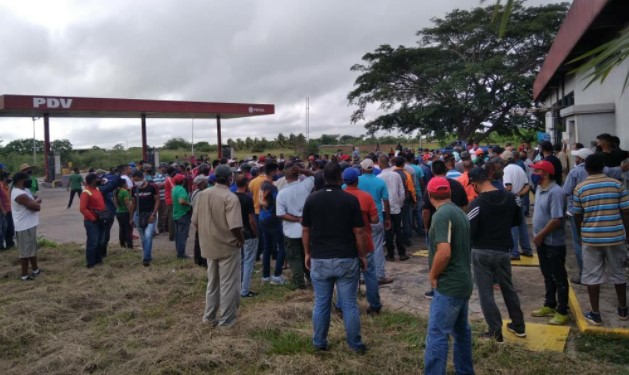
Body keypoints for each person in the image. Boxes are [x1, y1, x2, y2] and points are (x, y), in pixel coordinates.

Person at [302, 162, 368, 353]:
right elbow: (359, 231)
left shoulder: (312, 199)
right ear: (340, 178)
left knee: (321, 304)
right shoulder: (350, 200)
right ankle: (355, 344)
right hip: (346, 258)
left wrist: (307, 252)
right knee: (349, 305)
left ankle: (319, 342)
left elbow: (306, 229)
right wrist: (362, 255)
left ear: (323, 178)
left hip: (320, 258)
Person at [467, 167, 526, 342]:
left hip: (481, 252)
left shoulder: (477, 204)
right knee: (508, 289)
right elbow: (518, 220)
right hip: (503, 251)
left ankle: (495, 330)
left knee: (486, 293)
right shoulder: (512, 198)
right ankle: (519, 325)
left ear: (475, 184)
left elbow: (470, 229)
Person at [424, 177, 473, 375]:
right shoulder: (459, 212)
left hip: (449, 284)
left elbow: (444, 252)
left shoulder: (441, 215)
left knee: (437, 334)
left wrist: (433, 275)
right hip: (463, 281)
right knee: (461, 332)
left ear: (429, 195)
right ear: (450, 194)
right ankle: (465, 370)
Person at [573, 154, 629, 325]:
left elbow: (577, 215)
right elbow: (626, 212)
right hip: (615, 237)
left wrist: (582, 235)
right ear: (604, 167)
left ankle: (595, 314)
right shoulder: (617, 185)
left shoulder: (580, 188)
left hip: (591, 239)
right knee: (618, 273)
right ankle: (622, 310)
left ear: (586, 169)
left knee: (592, 276)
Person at [193, 165, 244, 327]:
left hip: (208, 245)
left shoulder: (202, 195)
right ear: (230, 178)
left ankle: (209, 317)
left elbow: (195, 221)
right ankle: (226, 321)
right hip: (227, 246)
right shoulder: (230, 197)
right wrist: (241, 239)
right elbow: (235, 226)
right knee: (228, 284)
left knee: (213, 282)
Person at [530, 160, 569, 325]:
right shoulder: (539, 188)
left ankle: (562, 311)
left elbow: (557, 219)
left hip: (553, 243)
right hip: (542, 242)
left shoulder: (556, 192)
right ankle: (550, 304)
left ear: (545, 174)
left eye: (536, 171)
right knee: (547, 275)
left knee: (559, 277)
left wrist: (541, 235)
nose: (533, 174)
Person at [342, 167, 382, 315]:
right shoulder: (366, 197)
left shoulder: (340, 196)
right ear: (357, 180)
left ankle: (343, 305)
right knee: (370, 274)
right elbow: (375, 219)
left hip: (346, 242)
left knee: (346, 277)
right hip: (365, 241)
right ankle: (375, 305)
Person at [276, 162, 315, 290]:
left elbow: (281, 214)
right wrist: (303, 170)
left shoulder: (282, 193)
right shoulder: (305, 186)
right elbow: (314, 176)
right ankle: (312, 279)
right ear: (298, 174)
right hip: (307, 230)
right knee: (307, 255)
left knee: (294, 258)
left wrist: (297, 219)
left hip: (291, 232)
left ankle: (300, 284)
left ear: (285, 177)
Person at [358, 157, 393, 284]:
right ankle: (379, 276)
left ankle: (362, 276)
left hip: (359, 221)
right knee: (377, 248)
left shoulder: (355, 182)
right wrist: (388, 218)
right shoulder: (379, 182)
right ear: (373, 168)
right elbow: (386, 201)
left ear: (362, 168)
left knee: (360, 247)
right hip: (376, 219)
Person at [562, 147, 594, 283]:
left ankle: (584, 275)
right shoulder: (599, 172)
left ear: (580, 159)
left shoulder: (575, 172)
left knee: (579, 244)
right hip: (593, 211)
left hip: (576, 211)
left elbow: (566, 191)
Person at [258, 161, 286, 284]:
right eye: (277, 171)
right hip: (273, 220)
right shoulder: (272, 188)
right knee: (282, 246)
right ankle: (277, 275)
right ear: (273, 171)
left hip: (263, 219)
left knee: (267, 248)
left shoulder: (263, 185)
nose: (278, 173)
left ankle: (265, 276)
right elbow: (279, 202)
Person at [501, 151, 533, 260]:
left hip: (511, 200)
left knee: (512, 226)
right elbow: (527, 186)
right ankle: (527, 249)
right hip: (519, 199)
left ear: (505, 160)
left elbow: (508, 187)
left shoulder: (506, 170)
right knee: (522, 225)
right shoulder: (520, 168)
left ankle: (514, 253)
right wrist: (519, 194)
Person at [11, 172, 42, 281]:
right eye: (26, 179)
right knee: (25, 252)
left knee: (32, 249)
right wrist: (35, 201)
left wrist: (35, 201)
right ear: (20, 180)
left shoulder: (26, 190)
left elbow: (37, 199)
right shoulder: (18, 194)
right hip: (23, 227)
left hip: (30, 225)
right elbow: (36, 206)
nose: (29, 180)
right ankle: (24, 275)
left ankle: (35, 270)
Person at [377, 155, 408, 261]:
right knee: (398, 230)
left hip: (384, 209)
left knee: (388, 232)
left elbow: (378, 195)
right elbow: (402, 191)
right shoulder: (396, 175)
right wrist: (400, 203)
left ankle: (390, 254)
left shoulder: (379, 177)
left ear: (380, 163)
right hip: (396, 207)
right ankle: (402, 253)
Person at [129, 170, 160, 266]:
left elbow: (157, 200)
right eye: (134, 180)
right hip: (138, 216)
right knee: (143, 238)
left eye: (137, 180)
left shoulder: (152, 187)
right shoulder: (134, 189)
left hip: (150, 215)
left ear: (142, 177)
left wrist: (153, 214)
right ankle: (148, 255)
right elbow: (133, 203)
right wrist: (131, 218)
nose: (136, 182)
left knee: (148, 235)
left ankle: (146, 258)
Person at [234, 174, 258, 297]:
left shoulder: (232, 197)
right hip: (248, 233)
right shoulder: (247, 198)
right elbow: (251, 220)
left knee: (241, 259)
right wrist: (256, 232)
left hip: (237, 232)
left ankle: (238, 286)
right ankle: (245, 290)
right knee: (249, 261)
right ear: (246, 184)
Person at [80, 173, 107, 268]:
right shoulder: (86, 192)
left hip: (101, 219)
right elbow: (83, 208)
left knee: (100, 241)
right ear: (92, 181)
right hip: (92, 221)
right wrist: (92, 218)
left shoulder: (97, 190)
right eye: (97, 179)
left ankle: (98, 259)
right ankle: (91, 262)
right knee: (93, 242)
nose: (99, 180)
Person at [172, 174, 192, 259]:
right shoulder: (182, 189)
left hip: (176, 214)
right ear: (182, 181)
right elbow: (181, 201)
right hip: (183, 214)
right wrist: (190, 204)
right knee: (183, 235)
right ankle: (181, 254)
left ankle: (179, 252)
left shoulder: (174, 189)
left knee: (178, 235)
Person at [191, 175, 209, 267]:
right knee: (203, 242)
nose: (207, 182)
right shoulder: (201, 194)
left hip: (197, 219)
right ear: (202, 183)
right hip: (201, 220)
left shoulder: (195, 192)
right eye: (206, 181)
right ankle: (203, 261)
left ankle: (198, 260)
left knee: (198, 240)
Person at [114, 178, 133, 249]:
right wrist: (131, 216)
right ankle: (130, 246)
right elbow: (128, 205)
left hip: (119, 212)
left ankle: (122, 244)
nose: (127, 185)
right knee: (128, 230)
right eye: (126, 183)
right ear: (123, 184)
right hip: (125, 213)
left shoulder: (116, 191)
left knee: (121, 229)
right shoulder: (125, 192)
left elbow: (115, 204)